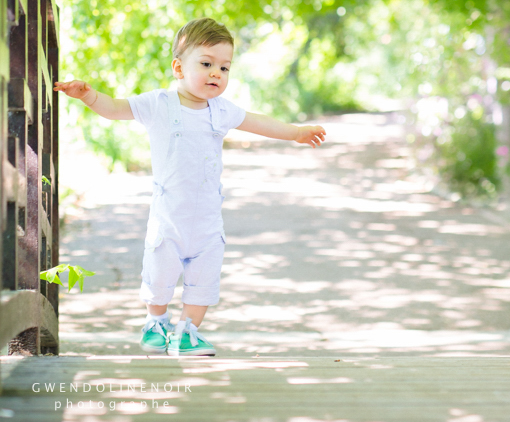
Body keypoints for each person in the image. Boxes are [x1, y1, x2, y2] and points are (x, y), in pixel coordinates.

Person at [53, 18, 326, 356]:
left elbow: (259, 122)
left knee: (205, 278)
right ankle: (155, 323)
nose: (217, 74)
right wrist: (89, 95)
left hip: (208, 220)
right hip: (169, 217)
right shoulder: (159, 104)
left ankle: (187, 331)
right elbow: (115, 108)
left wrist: (295, 132)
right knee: (159, 273)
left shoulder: (221, 110)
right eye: (207, 64)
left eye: (224, 67)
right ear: (179, 68)